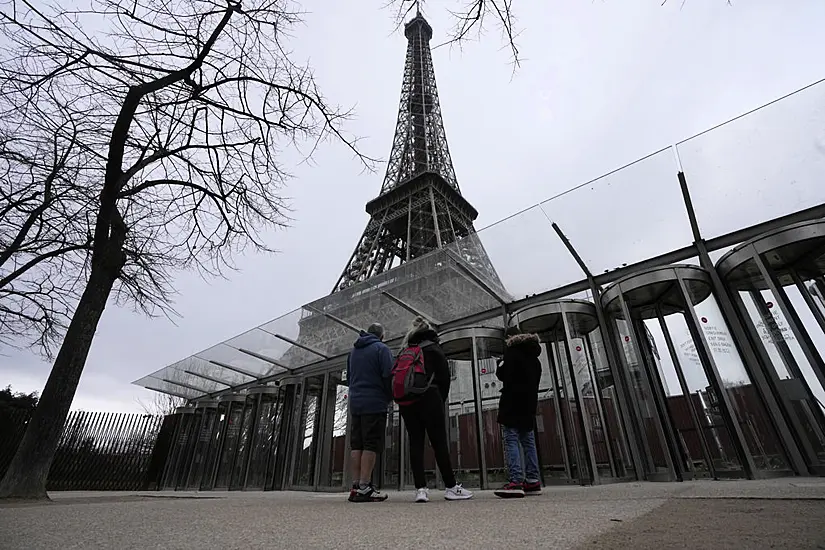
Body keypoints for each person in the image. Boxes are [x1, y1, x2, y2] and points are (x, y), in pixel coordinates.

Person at [398, 317, 473, 503]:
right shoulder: (433, 348)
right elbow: (445, 378)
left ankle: (421, 490)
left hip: (407, 402)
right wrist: (440, 399)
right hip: (430, 398)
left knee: (415, 443)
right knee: (439, 442)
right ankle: (450, 487)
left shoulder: (406, 350)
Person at [494, 326, 543, 498]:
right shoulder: (535, 359)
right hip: (529, 405)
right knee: (528, 441)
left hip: (512, 403)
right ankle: (532, 480)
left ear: (509, 338)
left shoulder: (512, 354)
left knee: (511, 440)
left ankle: (515, 481)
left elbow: (502, 375)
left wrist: (500, 364)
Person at [347, 322, 394, 502]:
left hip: (356, 403)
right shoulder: (381, 349)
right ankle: (366, 486)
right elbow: (388, 375)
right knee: (371, 444)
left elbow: (350, 378)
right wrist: (389, 397)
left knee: (356, 444)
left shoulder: (353, 352)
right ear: (382, 335)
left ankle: (356, 485)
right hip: (374, 402)